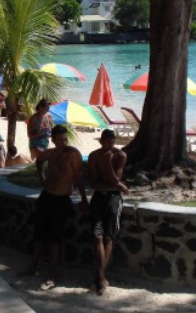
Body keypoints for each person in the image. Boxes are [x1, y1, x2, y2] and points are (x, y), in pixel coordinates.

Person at [19, 125, 88, 287]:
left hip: (61, 199)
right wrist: (42, 177)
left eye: (65, 139)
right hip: (47, 196)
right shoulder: (51, 153)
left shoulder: (73, 154)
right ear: (53, 140)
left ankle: (52, 272)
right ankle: (33, 266)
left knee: (55, 236)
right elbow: (39, 161)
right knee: (39, 232)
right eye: (59, 140)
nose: (63, 143)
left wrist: (84, 199)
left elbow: (79, 178)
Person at [87, 129, 129, 295]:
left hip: (113, 199)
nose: (110, 146)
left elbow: (114, 180)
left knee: (108, 237)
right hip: (99, 198)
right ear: (101, 141)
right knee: (97, 235)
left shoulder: (120, 156)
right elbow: (95, 184)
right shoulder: (94, 156)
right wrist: (117, 185)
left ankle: (100, 276)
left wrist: (107, 167)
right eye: (107, 143)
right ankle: (101, 276)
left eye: (112, 143)